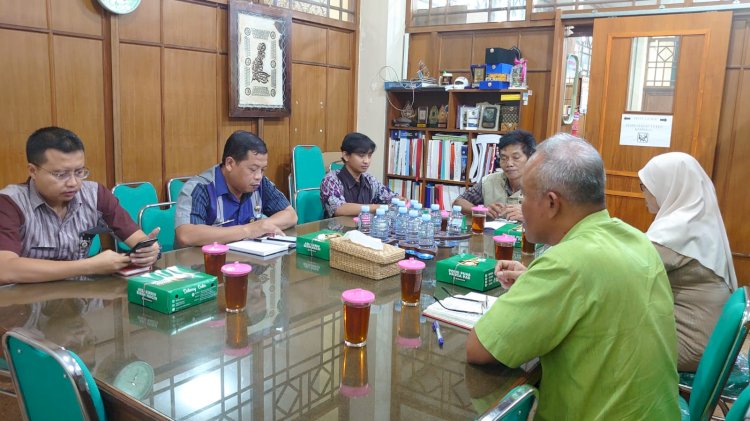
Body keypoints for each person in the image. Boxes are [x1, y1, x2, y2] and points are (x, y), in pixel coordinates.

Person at [466, 134, 679, 420]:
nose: (521, 205)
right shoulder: (636, 239)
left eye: (526, 196)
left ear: (552, 203)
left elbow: (479, 349)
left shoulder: (566, 263)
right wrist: (537, 280)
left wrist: (544, 280)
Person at [0, 127, 161, 284]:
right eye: (61, 174)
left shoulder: (96, 194)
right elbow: (5, 269)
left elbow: (137, 238)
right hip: (26, 303)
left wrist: (148, 250)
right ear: (33, 171)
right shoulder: (10, 203)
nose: (73, 183)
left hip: (81, 297)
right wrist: (88, 266)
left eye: (79, 172)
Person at [639, 152, 737, 372]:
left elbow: (627, 267)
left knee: (605, 339)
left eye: (644, 186)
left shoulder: (677, 230)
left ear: (669, 185)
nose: (643, 194)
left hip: (690, 345)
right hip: (710, 340)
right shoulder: (696, 220)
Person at [175, 130, 297, 246]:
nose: (259, 176)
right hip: (206, 263)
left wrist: (263, 225)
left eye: (263, 170)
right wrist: (248, 230)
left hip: (248, 261)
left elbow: (290, 215)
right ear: (230, 164)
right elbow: (186, 234)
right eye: (253, 169)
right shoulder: (200, 188)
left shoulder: (260, 184)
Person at [453, 130, 535, 221]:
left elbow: (552, 220)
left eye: (516, 157)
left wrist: (529, 215)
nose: (509, 163)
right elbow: (458, 203)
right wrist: (482, 210)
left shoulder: (543, 186)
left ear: (530, 158)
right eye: (504, 158)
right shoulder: (489, 181)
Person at [320, 132, 396, 218]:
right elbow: (339, 208)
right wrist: (375, 207)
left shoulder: (370, 180)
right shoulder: (331, 180)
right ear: (346, 156)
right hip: (338, 230)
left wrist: (400, 201)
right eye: (361, 155)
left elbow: (390, 198)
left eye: (369, 155)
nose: (366, 161)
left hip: (364, 229)